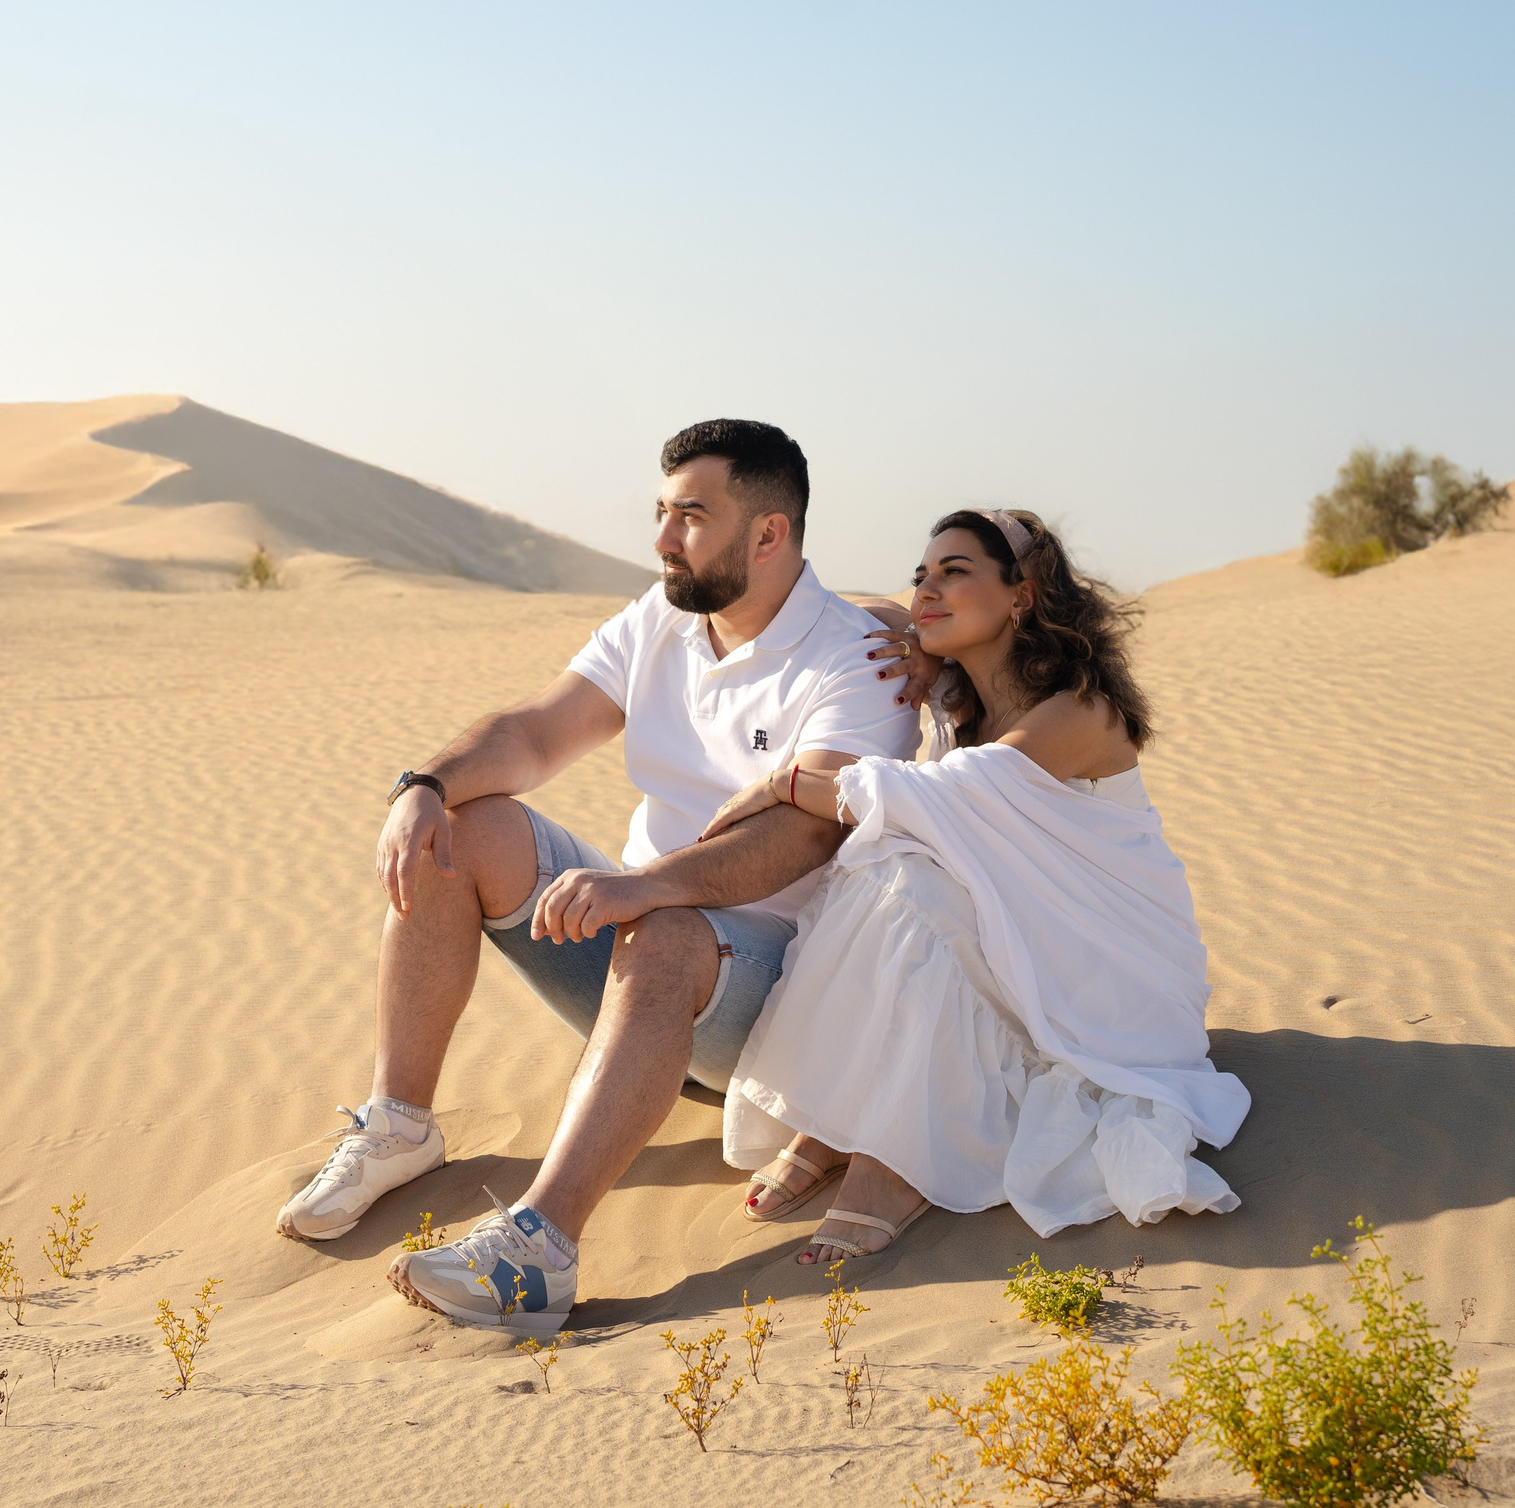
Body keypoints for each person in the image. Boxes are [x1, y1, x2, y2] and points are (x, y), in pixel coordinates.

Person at [274, 419, 919, 1334]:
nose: (661, 540)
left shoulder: (857, 662)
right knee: (467, 828)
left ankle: (540, 1251)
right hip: (645, 971)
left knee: (663, 925)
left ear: (770, 533)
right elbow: (537, 731)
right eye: (660, 512)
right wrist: (425, 785)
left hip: (778, 1004)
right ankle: (401, 1124)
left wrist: (649, 887)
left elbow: (803, 839)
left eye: (691, 517)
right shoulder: (661, 620)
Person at [707, 507, 1251, 1264]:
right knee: (887, 869)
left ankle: (895, 1163)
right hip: (1025, 948)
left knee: (908, 869)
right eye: (921, 576)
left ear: (1022, 597)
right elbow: (850, 611)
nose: (926, 590)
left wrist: (782, 779)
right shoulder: (960, 710)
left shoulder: (1080, 711)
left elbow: (934, 800)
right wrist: (917, 639)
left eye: (954, 574)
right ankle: (838, 1123)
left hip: (1116, 982)